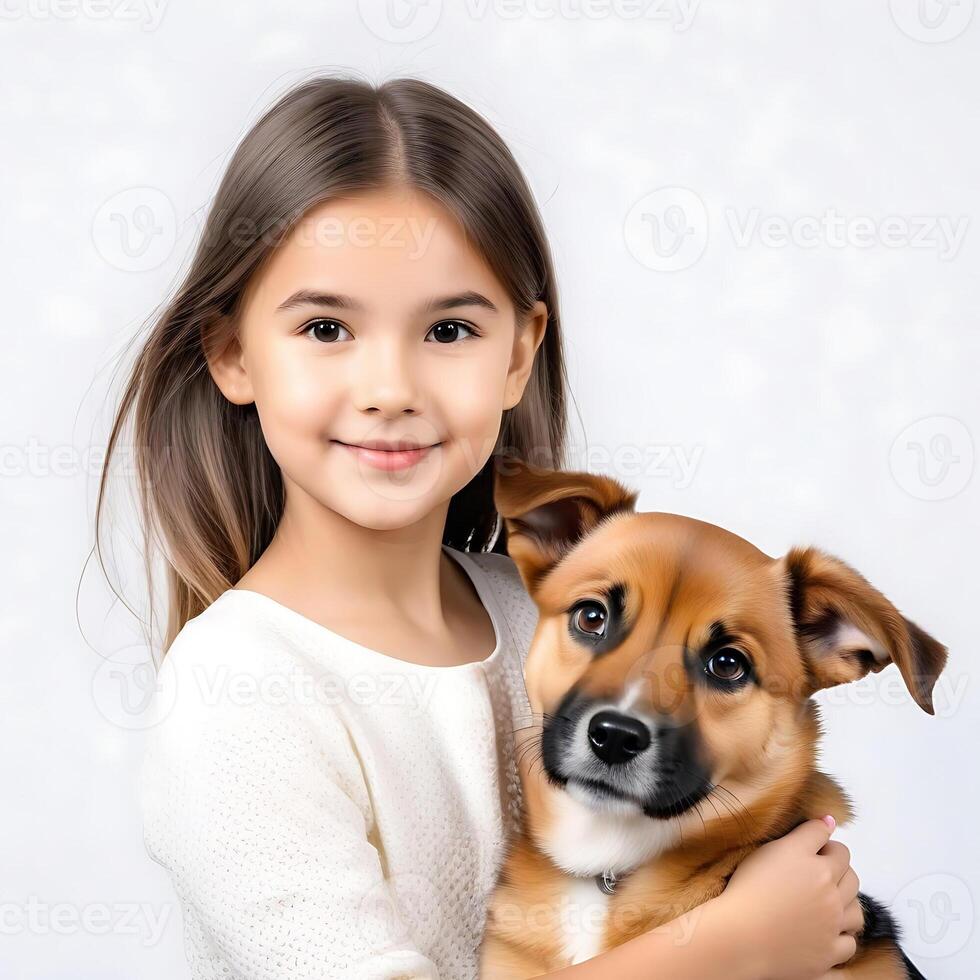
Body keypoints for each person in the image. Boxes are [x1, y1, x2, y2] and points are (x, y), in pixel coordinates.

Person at [97, 73, 863, 979]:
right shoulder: (235, 695)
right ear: (231, 354)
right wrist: (732, 946)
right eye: (327, 328)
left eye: (450, 330)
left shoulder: (549, 617)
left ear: (518, 355)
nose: (390, 389)